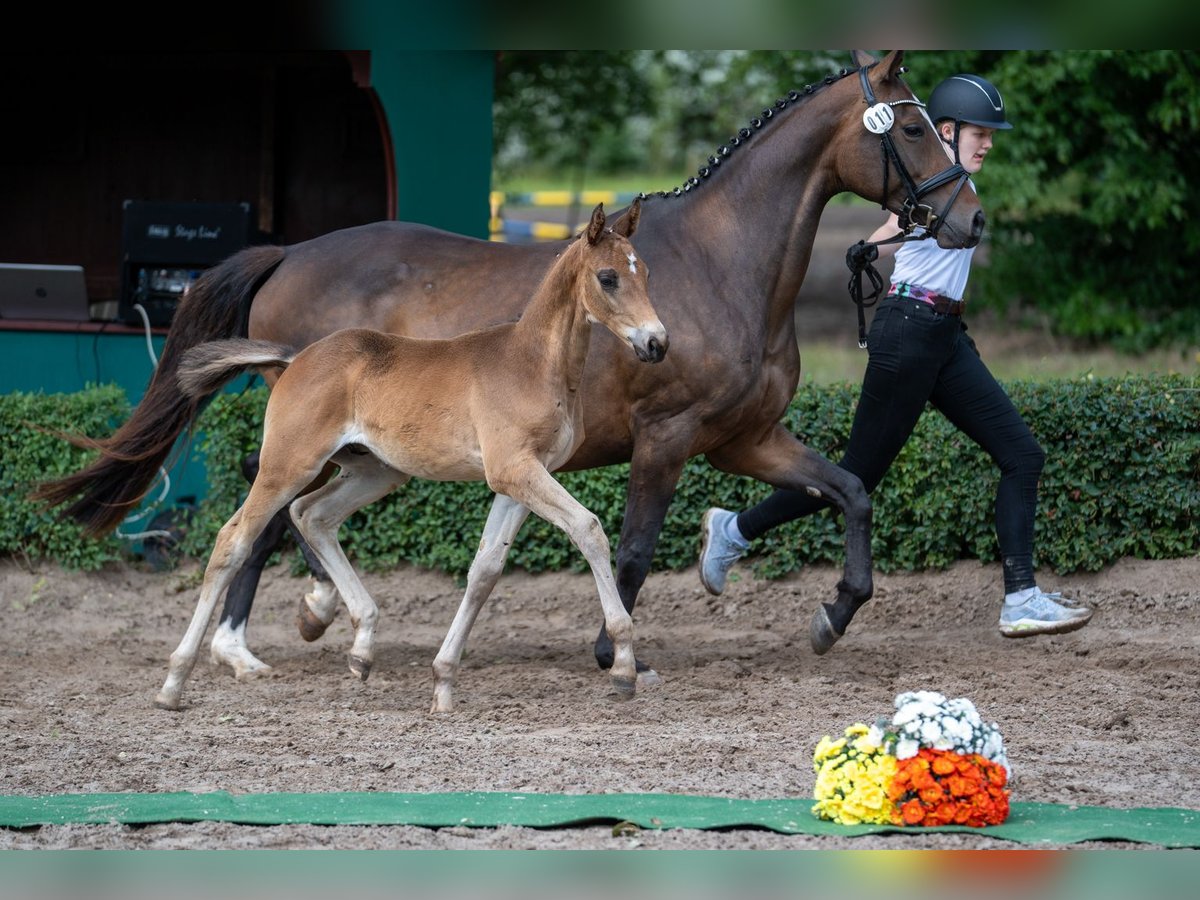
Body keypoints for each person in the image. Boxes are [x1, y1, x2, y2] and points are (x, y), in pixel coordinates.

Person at [698, 73, 1093, 646]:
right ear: (948, 131)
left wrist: (880, 241)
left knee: (1022, 455)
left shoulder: (947, 187)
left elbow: (897, 224)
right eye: (981, 133)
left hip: (945, 337)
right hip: (909, 332)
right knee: (855, 476)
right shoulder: (928, 184)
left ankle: (1021, 598)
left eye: (992, 135)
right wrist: (874, 246)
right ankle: (734, 530)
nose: (989, 144)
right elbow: (896, 221)